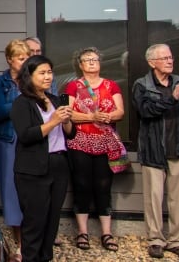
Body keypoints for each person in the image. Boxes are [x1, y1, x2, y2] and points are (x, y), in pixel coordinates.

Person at [132, 43, 179, 261]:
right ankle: (155, 240)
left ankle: (177, 241)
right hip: (153, 150)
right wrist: (171, 99)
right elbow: (145, 111)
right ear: (152, 62)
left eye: (171, 57)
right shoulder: (142, 85)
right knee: (153, 198)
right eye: (164, 58)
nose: (170, 61)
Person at [10, 55, 76, 262]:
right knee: (35, 222)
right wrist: (53, 121)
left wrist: (65, 121)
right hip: (32, 170)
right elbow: (26, 135)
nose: (48, 77)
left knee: (51, 221)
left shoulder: (55, 99)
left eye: (50, 72)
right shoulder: (22, 103)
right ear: (30, 76)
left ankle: (45, 257)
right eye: (42, 73)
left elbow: (70, 134)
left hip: (58, 164)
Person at [64, 47, 125, 252]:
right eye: (87, 60)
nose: (91, 62)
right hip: (80, 141)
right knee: (81, 184)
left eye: (95, 59)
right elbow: (69, 114)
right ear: (80, 64)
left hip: (105, 142)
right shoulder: (73, 86)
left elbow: (120, 111)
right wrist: (92, 117)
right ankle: (82, 232)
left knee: (103, 185)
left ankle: (106, 233)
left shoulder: (111, 85)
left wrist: (108, 117)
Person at [0, 39, 31, 258]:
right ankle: (19, 243)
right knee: (11, 190)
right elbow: (0, 110)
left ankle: (30, 242)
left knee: (30, 190)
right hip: (7, 139)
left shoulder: (35, 79)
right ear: (9, 59)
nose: (25, 63)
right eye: (21, 58)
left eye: (27, 58)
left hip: (31, 140)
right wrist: (24, 99)